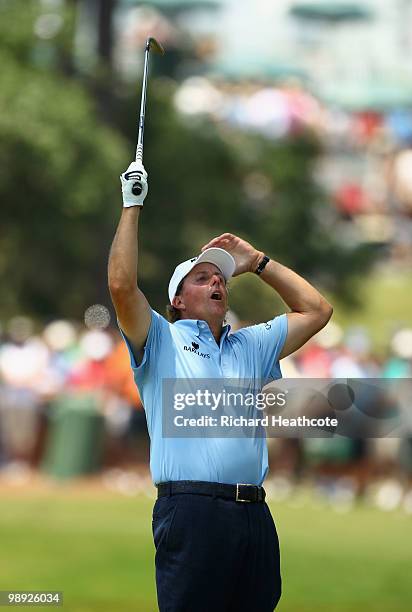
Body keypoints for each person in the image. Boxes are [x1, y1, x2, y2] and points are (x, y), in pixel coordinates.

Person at [108, 160, 333, 612]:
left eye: (222, 277)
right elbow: (121, 285)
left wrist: (259, 263)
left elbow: (316, 311)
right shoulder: (161, 339)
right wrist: (132, 205)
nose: (217, 282)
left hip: (253, 514)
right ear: (178, 299)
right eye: (202, 277)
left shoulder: (250, 344)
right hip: (191, 513)